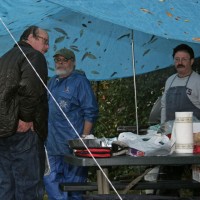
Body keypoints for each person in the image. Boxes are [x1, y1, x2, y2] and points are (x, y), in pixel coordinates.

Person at [0, 25, 49, 200]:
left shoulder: (4, 58)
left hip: (4, 130)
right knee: (28, 185)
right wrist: (26, 118)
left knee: (6, 184)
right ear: (30, 38)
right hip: (23, 130)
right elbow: (30, 89)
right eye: (45, 41)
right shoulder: (34, 56)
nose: (47, 47)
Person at [44, 48, 99, 200]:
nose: (60, 63)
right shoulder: (52, 82)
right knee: (51, 182)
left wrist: (84, 138)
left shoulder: (80, 81)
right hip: (52, 144)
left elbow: (91, 111)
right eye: (57, 60)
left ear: (73, 62)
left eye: (64, 60)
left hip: (72, 145)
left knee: (75, 188)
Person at [160, 44, 200, 196]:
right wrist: (163, 128)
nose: (180, 62)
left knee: (197, 184)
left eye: (184, 59)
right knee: (168, 182)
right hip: (173, 139)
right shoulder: (169, 81)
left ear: (192, 61)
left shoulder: (198, 81)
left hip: (195, 142)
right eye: (177, 59)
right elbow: (164, 106)